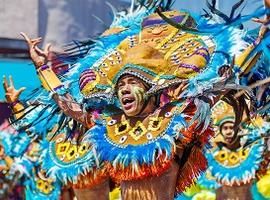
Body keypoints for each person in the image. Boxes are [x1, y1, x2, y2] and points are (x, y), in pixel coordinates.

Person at [3, 0, 270, 199]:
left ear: (151, 89)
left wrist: (261, 34)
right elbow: (67, 105)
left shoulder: (175, 123)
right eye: (121, 86)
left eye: (132, 84)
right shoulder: (109, 127)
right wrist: (43, 68)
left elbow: (224, 81)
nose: (124, 91)